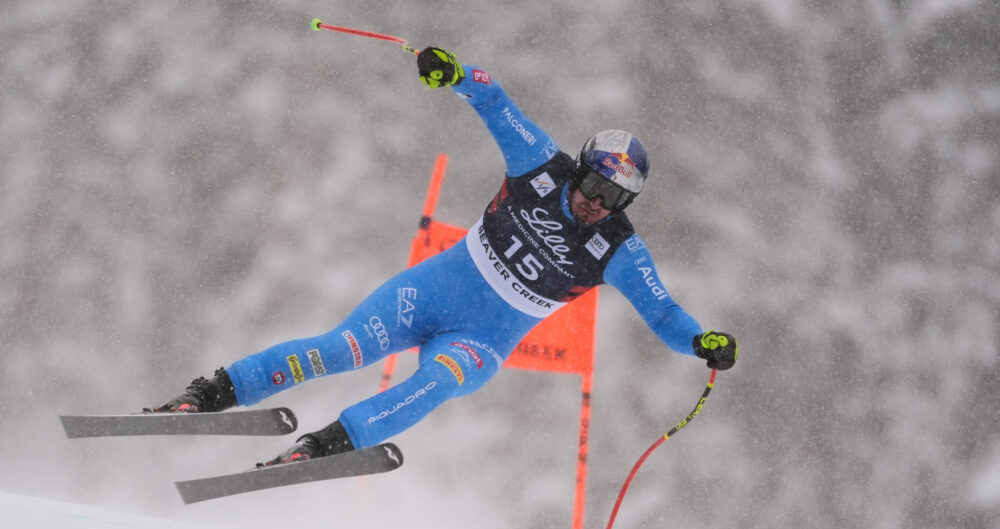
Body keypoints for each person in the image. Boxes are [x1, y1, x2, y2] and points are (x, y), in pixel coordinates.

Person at [152, 47, 739, 465]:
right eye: (593, 186)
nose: (595, 203)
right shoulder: (539, 163)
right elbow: (492, 99)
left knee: (436, 382)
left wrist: (700, 342)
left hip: (481, 342)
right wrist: (455, 73)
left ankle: (324, 445)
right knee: (340, 349)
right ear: (579, 168)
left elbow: (663, 315)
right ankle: (209, 393)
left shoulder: (620, 250)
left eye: (615, 199)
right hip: (429, 293)